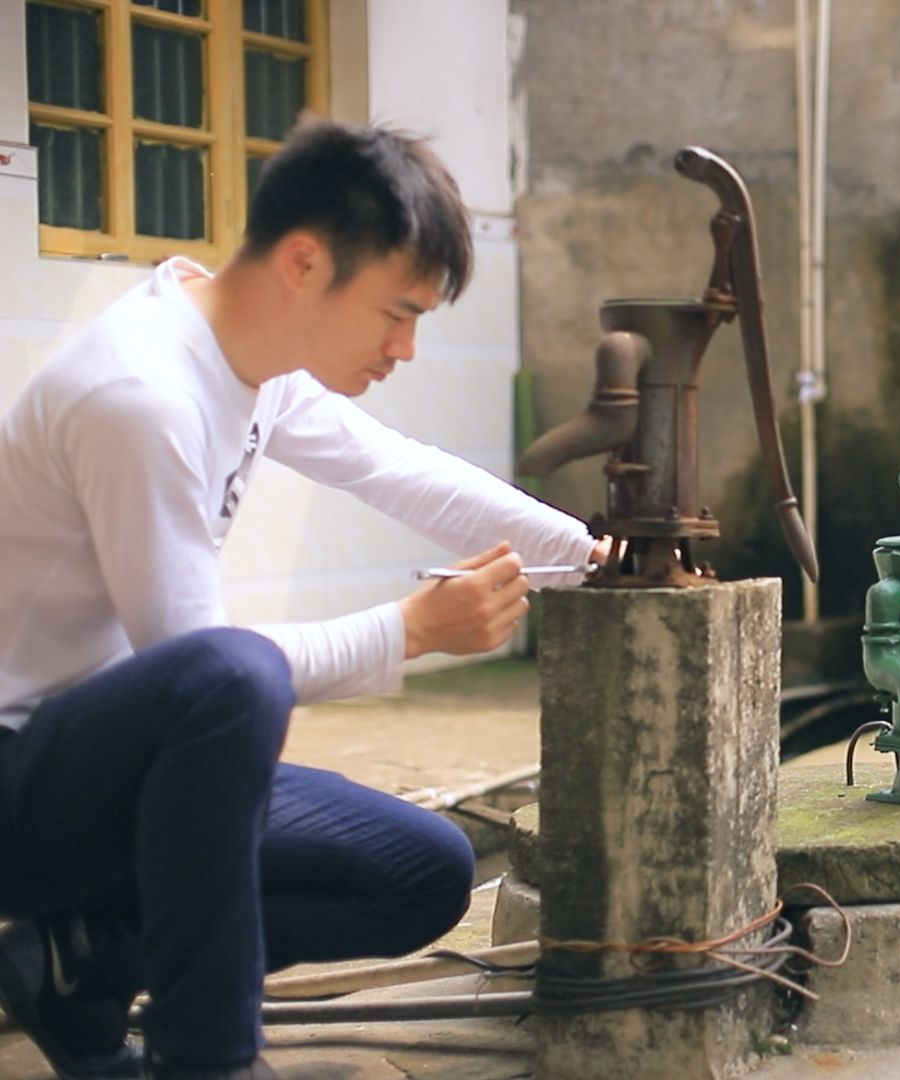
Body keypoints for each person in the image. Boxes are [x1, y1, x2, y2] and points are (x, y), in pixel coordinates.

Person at [0, 119, 605, 1079]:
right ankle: (211, 1059)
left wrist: (592, 556)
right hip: (24, 784)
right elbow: (196, 672)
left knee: (426, 871)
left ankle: (80, 961)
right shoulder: (142, 397)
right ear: (304, 263)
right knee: (228, 680)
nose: (405, 348)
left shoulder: (255, 363)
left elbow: (398, 470)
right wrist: (406, 632)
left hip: (117, 768)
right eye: (396, 313)